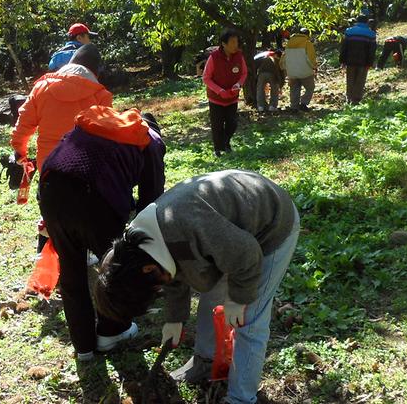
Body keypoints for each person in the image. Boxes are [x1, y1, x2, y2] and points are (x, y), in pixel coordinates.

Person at [94, 170, 300, 404]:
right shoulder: (142, 251)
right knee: (212, 297)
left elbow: (248, 254)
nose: (158, 291)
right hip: (229, 239)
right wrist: (175, 318)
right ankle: (205, 361)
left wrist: (239, 298)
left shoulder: (186, 227)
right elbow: (173, 273)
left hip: (271, 227)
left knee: (249, 319)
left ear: (149, 270)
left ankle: (241, 398)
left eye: (154, 290)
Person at [38, 106, 166, 360]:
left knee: (72, 270)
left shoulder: (100, 121)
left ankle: (83, 347)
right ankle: (111, 333)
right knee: (116, 268)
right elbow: (152, 201)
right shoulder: (149, 139)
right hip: (95, 197)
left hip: (51, 187)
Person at [11, 44, 113, 248]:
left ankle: (46, 250)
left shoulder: (42, 87)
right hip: (83, 167)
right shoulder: (100, 95)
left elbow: (24, 124)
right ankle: (85, 251)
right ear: (94, 71)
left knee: (50, 209)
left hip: (49, 166)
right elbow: (107, 135)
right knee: (83, 210)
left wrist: (20, 151)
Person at [202, 29, 248, 157]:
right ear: (224, 43)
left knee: (232, 123)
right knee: (217, 125)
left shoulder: (239, 56)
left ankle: (226, 143)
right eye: (232, 42)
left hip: (232, 97)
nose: (235, 45)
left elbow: (244, 73)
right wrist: (219, 90)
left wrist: (238, 85)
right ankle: (218, 149)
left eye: (237, 42)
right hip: (216, 98)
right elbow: (206, 77)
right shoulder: (214, 57)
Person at [339, 16, 377, 104]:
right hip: (363, 62)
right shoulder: (371, 34)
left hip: (350, 60)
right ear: (367, 22)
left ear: (357, 21)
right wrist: (370, 63)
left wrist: (342, 61)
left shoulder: (349, 31)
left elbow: (344, 47)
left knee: (350, 79)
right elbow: (372, 51)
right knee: (360, 80)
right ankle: (356, 100)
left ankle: (349, 98)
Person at [280, 28, 317, 112]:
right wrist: (314, 67)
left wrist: (283, 67)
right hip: (305, 71)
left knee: (294, 89)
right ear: (308, 34)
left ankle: (294, 106)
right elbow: (310, 58)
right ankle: (303, 103)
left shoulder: (289, 43)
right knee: (310, 87)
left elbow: (283, 58)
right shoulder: (307, 43)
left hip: (292, 72)